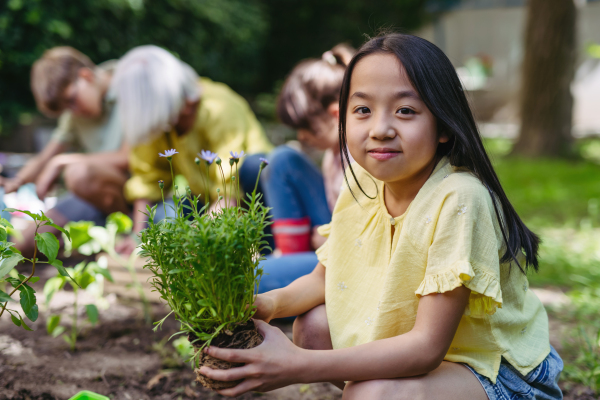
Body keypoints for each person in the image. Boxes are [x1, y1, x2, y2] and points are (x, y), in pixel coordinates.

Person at [197, 33, 563, 400]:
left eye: (405, 110)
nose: (380, 129)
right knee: (313, 327)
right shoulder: (362, 186)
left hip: (497, 372)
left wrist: (295, 365)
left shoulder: (459, 197)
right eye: (362, 110)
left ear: (445, 126)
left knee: (372, 394)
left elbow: (425, 348)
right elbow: (324, 278)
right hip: (431, 363)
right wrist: (269, 304)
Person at [112, 46, 273, 254]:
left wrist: (197, 235)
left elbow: (229, 195)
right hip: (205, 200)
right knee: (162, 220)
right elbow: (147, 179)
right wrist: (138, 235)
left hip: (251, 199)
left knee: (252, 171)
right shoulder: (161, 122)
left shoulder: (218, 107)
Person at [0, 47, 128, 257]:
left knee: (78, 173)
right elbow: (46, 156)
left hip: (134, 194)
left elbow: (128, 157)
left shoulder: (129, 86)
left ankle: (128, 232)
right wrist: (17, 181)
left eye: (71, 100)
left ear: (85, 76)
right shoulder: (74, 112)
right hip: (93, 197)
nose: (73, 111)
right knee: (22, 245)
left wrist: (62, 162)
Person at [257, 44, 354, 293]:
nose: (303, 136)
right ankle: (290, 256)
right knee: (282, 158)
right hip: (328, 244)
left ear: (335, 115)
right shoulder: (333, 156)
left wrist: (330, 241)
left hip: (350, 257)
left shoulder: (362, 158)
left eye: (308, 128)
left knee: (245, 282)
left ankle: (292, 275)